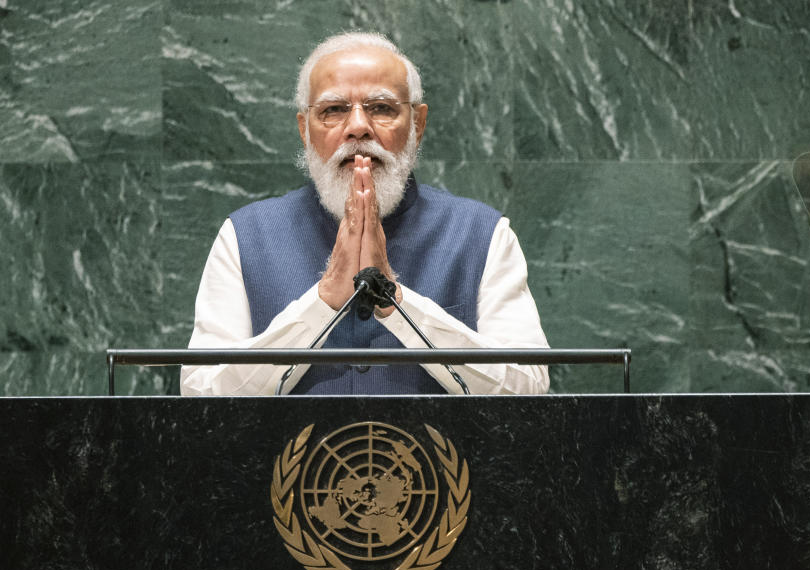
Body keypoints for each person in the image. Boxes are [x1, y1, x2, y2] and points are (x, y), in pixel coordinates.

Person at [180, 32, 549, 396]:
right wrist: (323, 301)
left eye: (382, 108)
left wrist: (397, 301)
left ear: (417, 125)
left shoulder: (484, 235)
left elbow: (529, 390)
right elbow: (201, 394)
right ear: (305, 130)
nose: (358, 127)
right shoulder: (244, 237)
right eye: (334, 110)